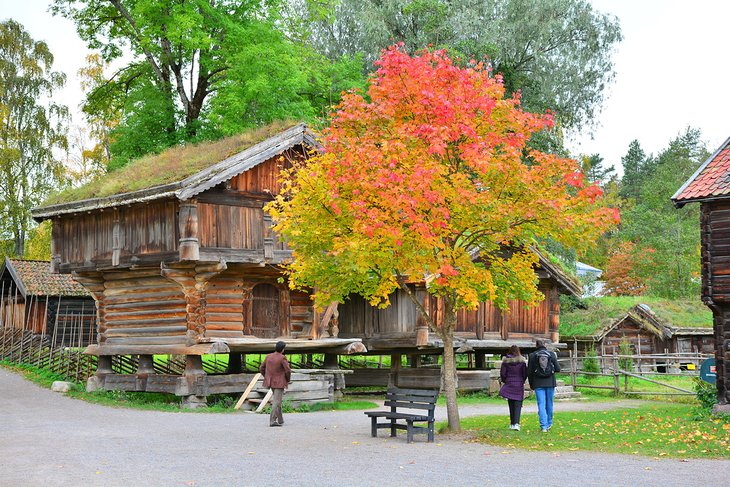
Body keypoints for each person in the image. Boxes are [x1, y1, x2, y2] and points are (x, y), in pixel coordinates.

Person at [527, 338, 561, 433]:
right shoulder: (551, 354)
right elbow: (558, 369)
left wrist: (531, 384)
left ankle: (543, 426)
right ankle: (549, 423)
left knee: (541, 404)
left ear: (536, 345)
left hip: (538, 383)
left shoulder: (532, 356)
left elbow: (529, 372)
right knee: (549, 403)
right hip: (550, 383)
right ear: (545, 345)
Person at [259, 340, 291, 427]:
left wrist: (266, 376)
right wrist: (287, 379)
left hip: (270, 382)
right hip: (279, 382)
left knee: (278, 401)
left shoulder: (268, 356)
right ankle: (272, 421)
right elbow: (287, 370)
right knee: (276, 401)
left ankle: (280, 420)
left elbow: (261, 367)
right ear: (283, 349)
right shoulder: (282, 358)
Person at [499, 345, 527, 431]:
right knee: (518, 405)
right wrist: (522, 381)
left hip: (509, 384)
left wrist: (505, 381)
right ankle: (516, 424)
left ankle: (512, 424)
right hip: (519, 385)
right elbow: (525, 374)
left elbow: (503, 374)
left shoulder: (505, 362)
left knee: (511, 405)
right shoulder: (522, 362)